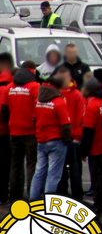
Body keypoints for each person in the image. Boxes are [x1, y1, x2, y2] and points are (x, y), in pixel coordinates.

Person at [30, 74, 71, 199]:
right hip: (56, 141)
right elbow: (65, 125)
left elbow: (34, 120)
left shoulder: (38, 101)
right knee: (53, 174)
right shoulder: (59, 102)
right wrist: (66, 140)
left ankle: (33, 199)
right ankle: (48, 203)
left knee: (39, 172)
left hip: (41, 140)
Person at [4, 60, 39, 201]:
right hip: (30, 132)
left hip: (14, 131)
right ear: (32, 70)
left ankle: (15, 195)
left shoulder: (10, 87)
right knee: (32, 164)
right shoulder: (35, 87)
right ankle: (33, 195)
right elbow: (39, 109)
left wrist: (11, 123)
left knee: (16, 165)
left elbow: (4, 110)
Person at [80, 77, 102, 213]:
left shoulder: (92, 105)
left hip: (96, 146)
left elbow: (88, 130)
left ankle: (99, 203)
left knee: (97, 176)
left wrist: (83, 151)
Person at [56, 65, 85, 200]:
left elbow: (80, 117)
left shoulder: (70, 94)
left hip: (66, 137)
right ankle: (71, 193)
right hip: (66, 136)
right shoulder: (73, 93)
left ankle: (70, 193)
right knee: (70, 169)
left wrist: (77, 136)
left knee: (69, 169)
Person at [0, 53, 14, 203]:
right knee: (5, 165)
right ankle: (3, 194)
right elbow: (4, 112)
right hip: (5, 132)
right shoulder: (8, 89)